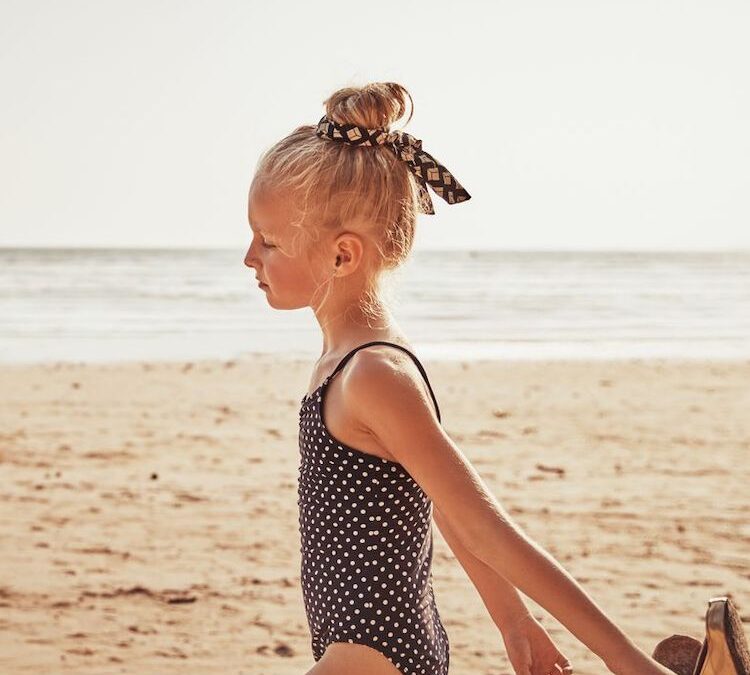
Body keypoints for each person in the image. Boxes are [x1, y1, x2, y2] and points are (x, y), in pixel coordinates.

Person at [244, 82, 675, 675]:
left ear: (343, 256)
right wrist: (512, 620)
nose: (249, 256)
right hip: (365, 650)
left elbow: (489, 528)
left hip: (370, 656)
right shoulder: (352, 361)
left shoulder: (373, 372)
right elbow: (438, 503)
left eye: (267, 241)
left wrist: (628, 661)